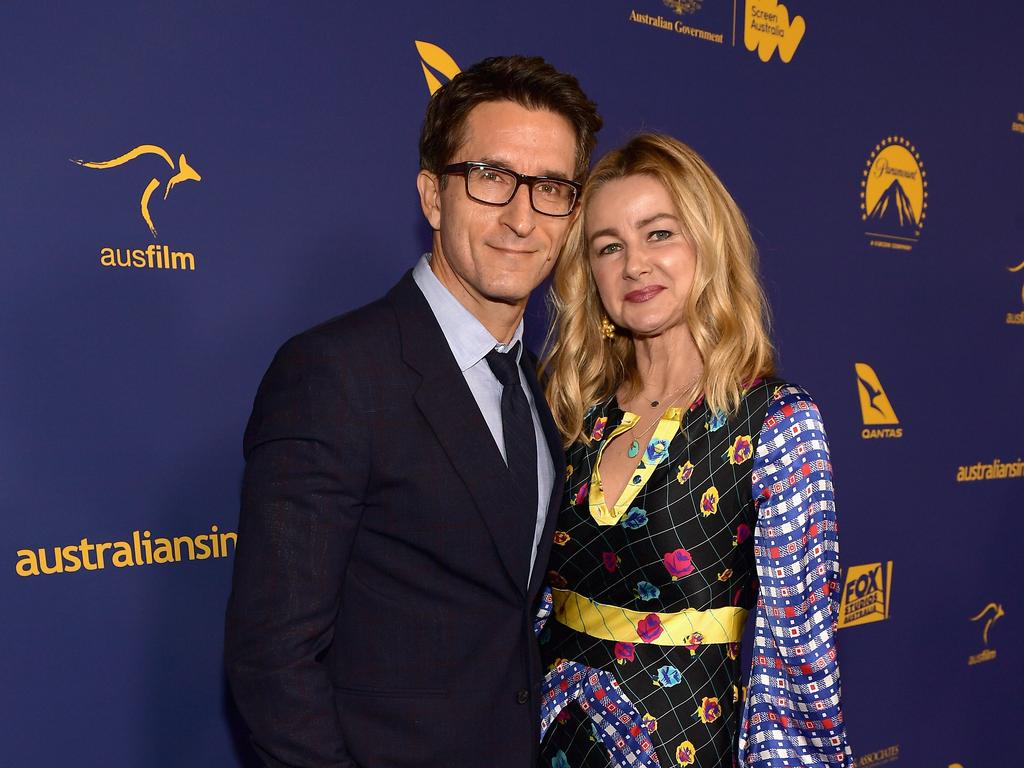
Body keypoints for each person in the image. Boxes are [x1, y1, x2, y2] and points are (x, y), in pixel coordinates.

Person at [224, 55, 601, 768]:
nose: (522, 218)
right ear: (433, 196)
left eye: (549, 188)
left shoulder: (545, 389)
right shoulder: (336, 373)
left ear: (572, 215)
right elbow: (272, 660)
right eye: (491, 178)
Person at [537, 134, 853, 767]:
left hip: (684, 743)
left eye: (659, 234)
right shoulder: (569, 410)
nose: (634, 265)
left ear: (708, 244)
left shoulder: (776, 422)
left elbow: (798, 646)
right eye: (608, 247)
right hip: (548, 733)